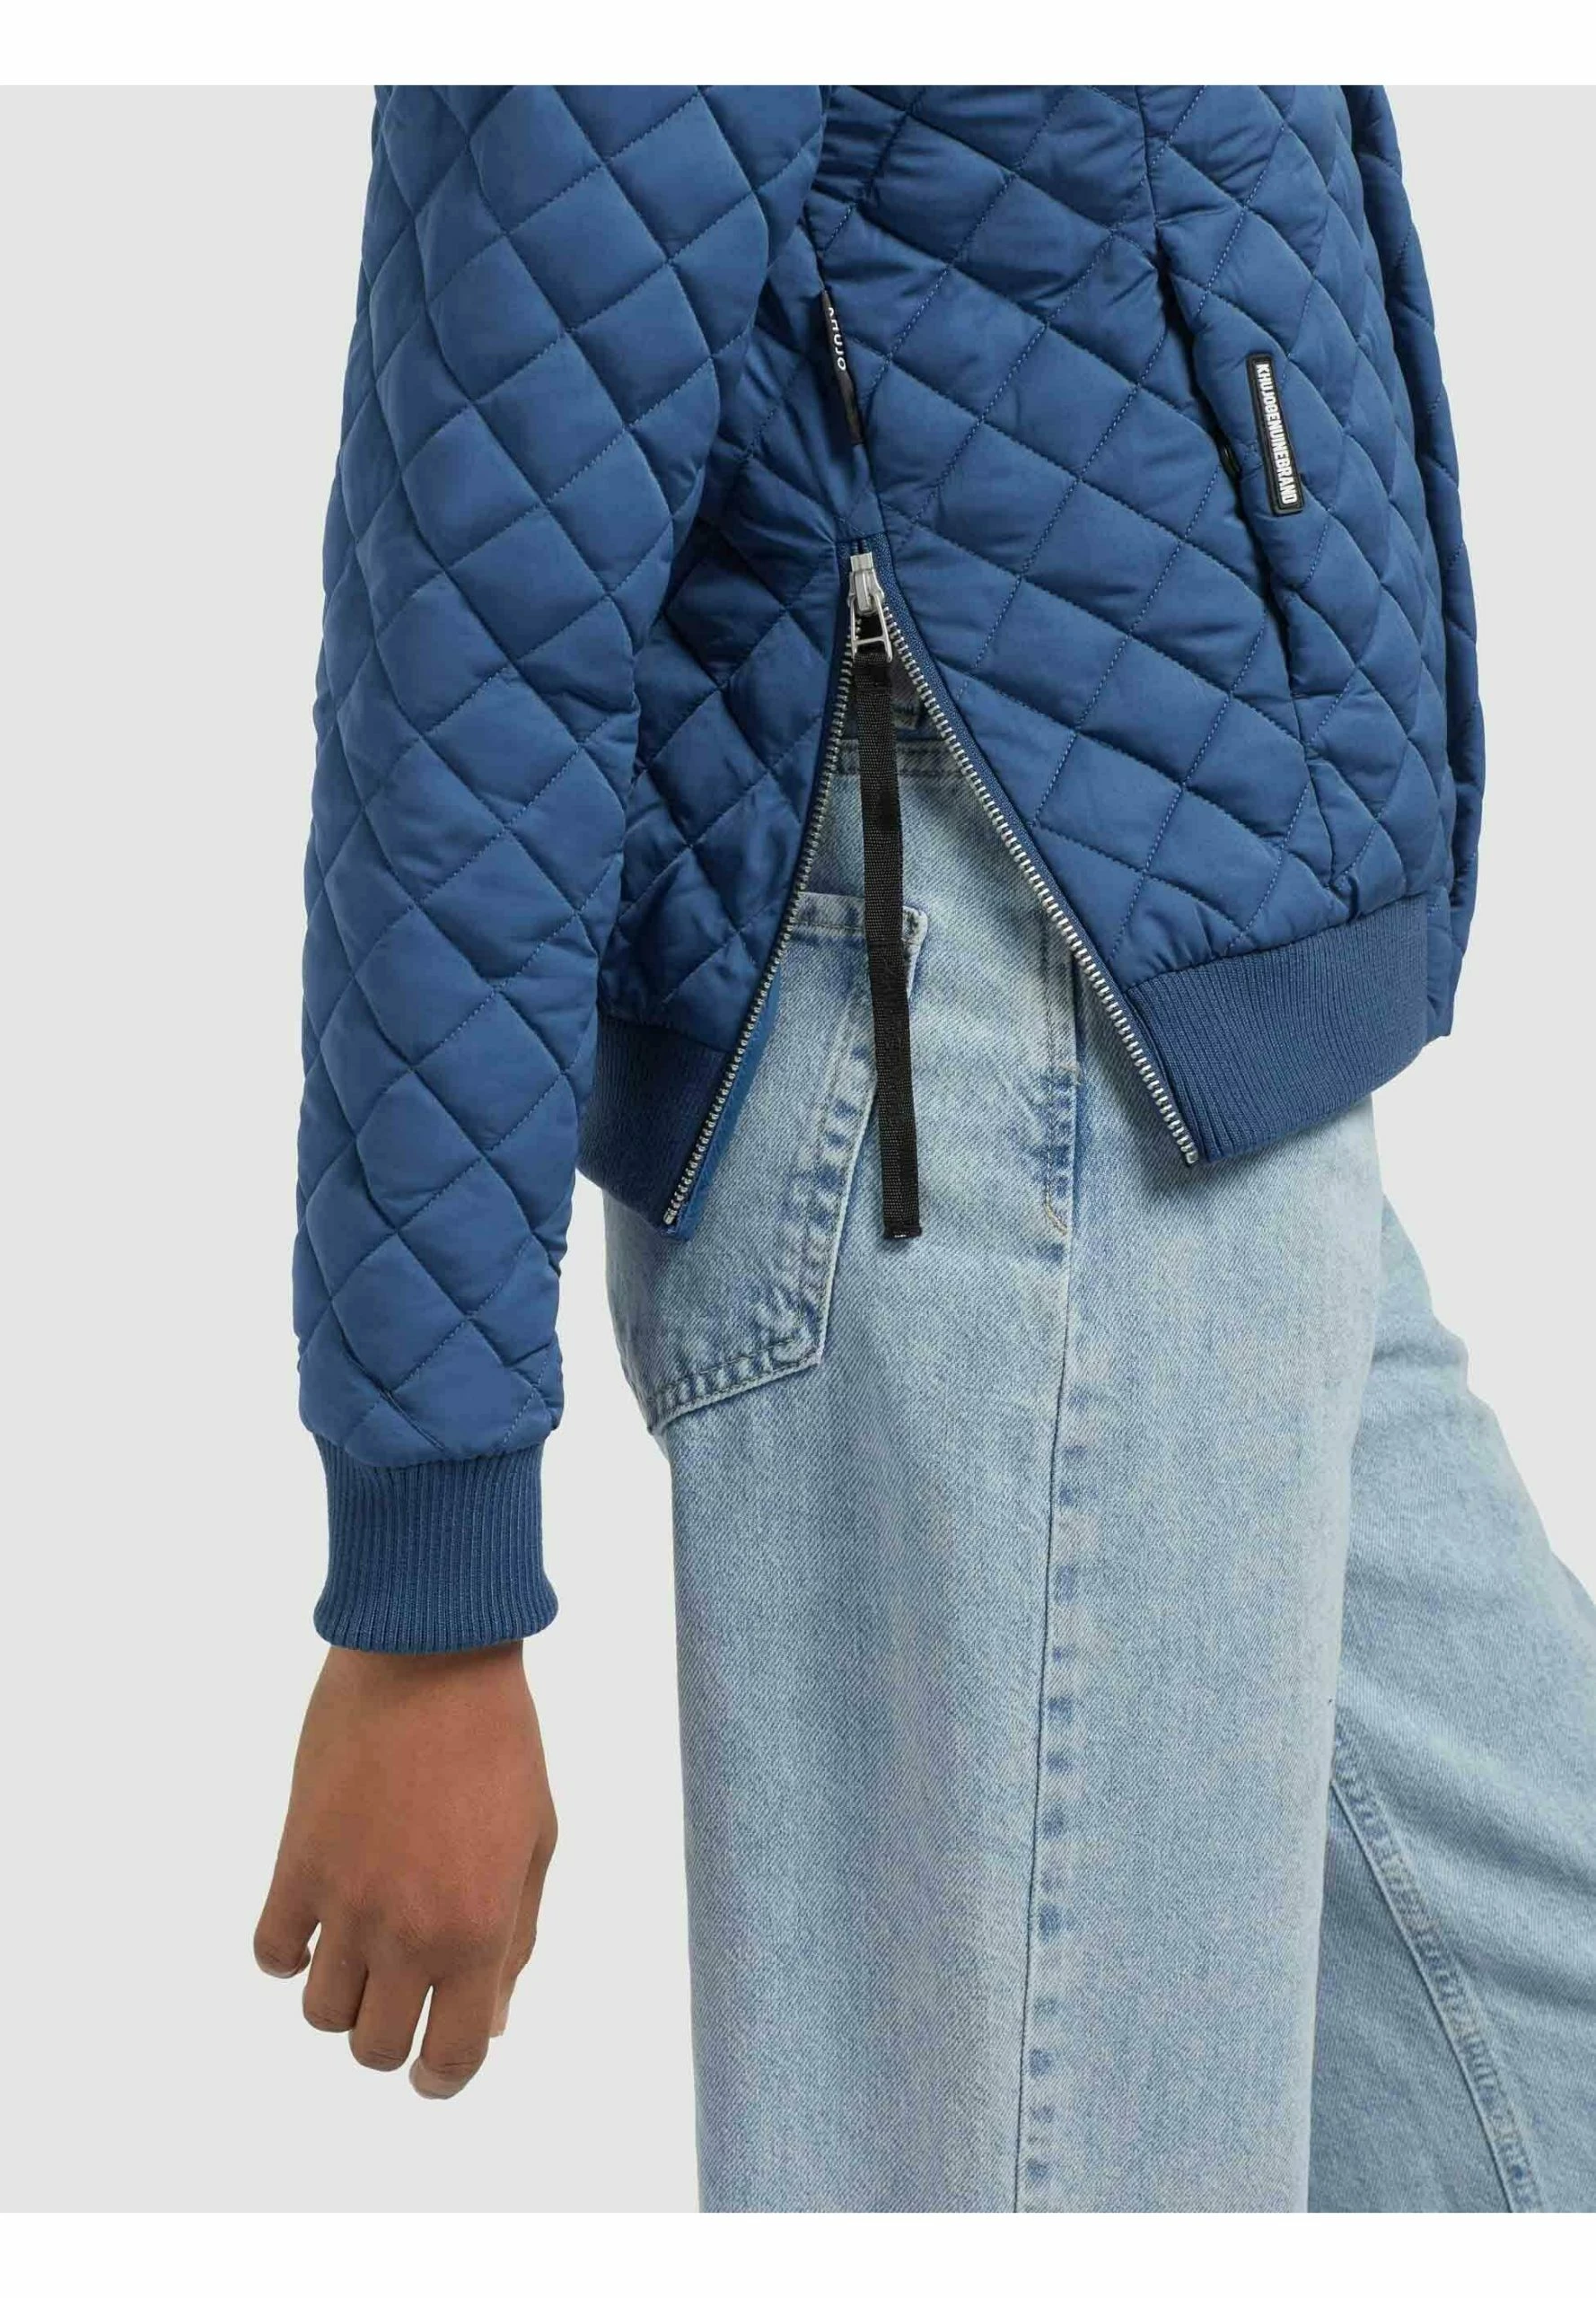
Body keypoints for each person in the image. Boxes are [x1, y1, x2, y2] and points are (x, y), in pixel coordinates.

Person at [256, 85, 1596, 2208]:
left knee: (1537, 2054)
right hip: (975, 1057)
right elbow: (480, 603)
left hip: (1215, 1055)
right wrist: (432, 1580)